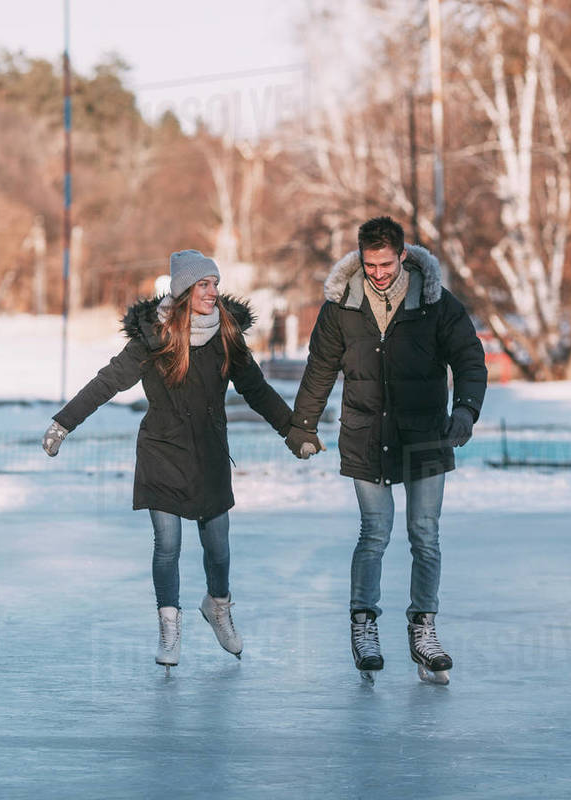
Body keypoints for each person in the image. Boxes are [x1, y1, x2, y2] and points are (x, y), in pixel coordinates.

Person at [42, 250, 292, 673]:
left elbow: (257, 389)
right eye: (204, 285)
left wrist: (293, 429)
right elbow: (107, 382)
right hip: (162, 451)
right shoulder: (152, 338)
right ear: (184, 291)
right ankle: (169, 626)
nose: (214, 292)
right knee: (168, 545)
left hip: (209, 455)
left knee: (218, 548)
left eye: (215, 283)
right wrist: (62, 423)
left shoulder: (226, 336)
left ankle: (218, 606)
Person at [284, 216, 487, 684]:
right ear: (360, 258)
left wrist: (467, 410)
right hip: (366, 436)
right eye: (370, 264)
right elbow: (319, 371)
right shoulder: (342, 306)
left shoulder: (435, 303)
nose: (378, 273)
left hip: (425, 435)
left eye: (386, 264)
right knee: (374, 531)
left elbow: (470, 358)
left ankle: (423, 629)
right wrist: (303, 427)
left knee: (425, 533)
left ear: (403, 257)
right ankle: (364, 625)